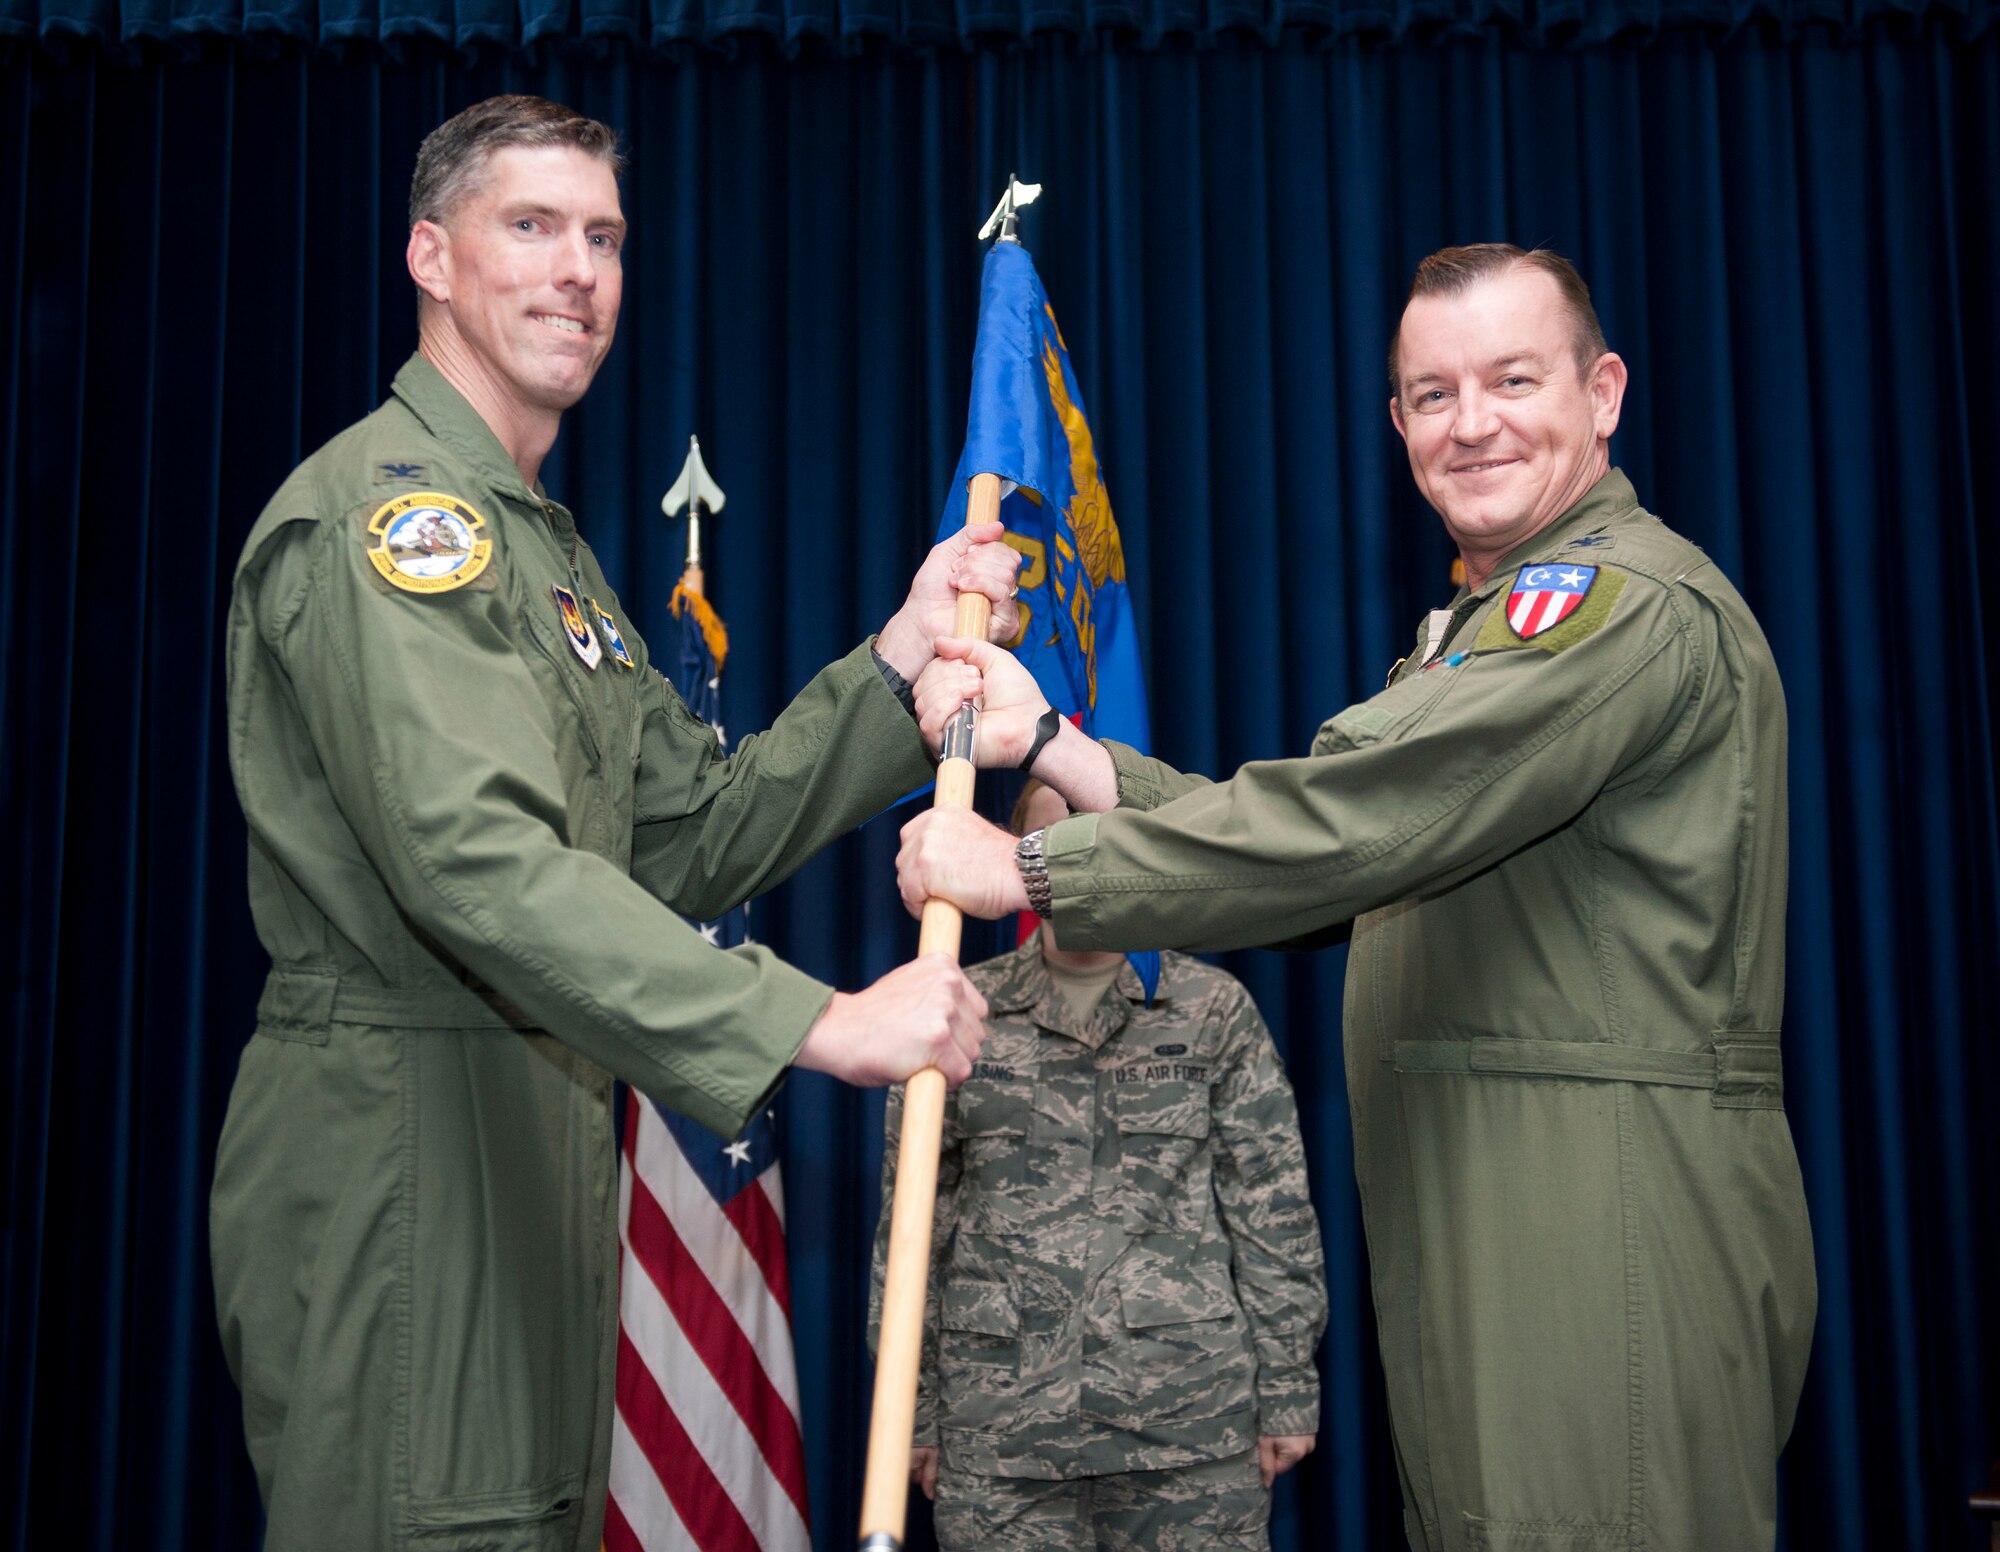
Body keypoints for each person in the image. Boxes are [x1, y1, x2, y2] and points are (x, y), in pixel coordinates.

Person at [894, 245, 1817, 1552]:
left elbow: (1355, 827)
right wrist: (1054, 744)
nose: (1471, 423)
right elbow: (1355, 834)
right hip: (1497, 1213)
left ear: (1603, 392)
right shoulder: (1486, 622)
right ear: (1397, 423)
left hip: (1599, 1231)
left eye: (1511, 378)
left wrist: (1029, 867)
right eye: (1431, 394)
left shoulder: (1614, 608)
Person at [211, 95, 1022, 1551]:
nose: (577, 270)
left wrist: (895, 660)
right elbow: (478, 862)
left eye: (604, 237)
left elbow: (690, 837)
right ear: (431, 259)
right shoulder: (395, 524)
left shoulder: (543, 548)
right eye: (530, 227)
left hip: (533, 1125)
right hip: (407, 1138)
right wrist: (816, 1022)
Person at [870, 778, 1327, 1552]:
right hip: (1003, 1446)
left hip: (1189, 1435)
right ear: (1014, 860)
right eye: (1049, 843)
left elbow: (1271, 1213)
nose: (1075, 863)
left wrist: (1286, 1390)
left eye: (1098, 842)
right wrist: (909, 1415)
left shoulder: (1210, 1011)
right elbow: (912, 1232)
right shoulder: (953, 1013)